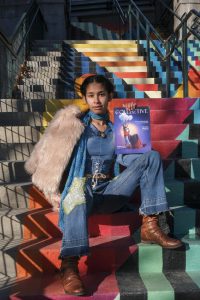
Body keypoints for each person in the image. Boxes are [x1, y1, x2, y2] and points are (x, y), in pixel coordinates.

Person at [25, 74, 182, 296]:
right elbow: (50, 158)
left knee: (152, 157)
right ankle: (69, 265)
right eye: (91, 96)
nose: (96, 100)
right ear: (85, 98)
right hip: (82, 193)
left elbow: (130, 159)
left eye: (101, 94)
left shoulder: (117, 127)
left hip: (110, 192)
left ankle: (150, 224)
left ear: (109, 96)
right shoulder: (76, 126)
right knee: (78, 188)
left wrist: (131, 121)